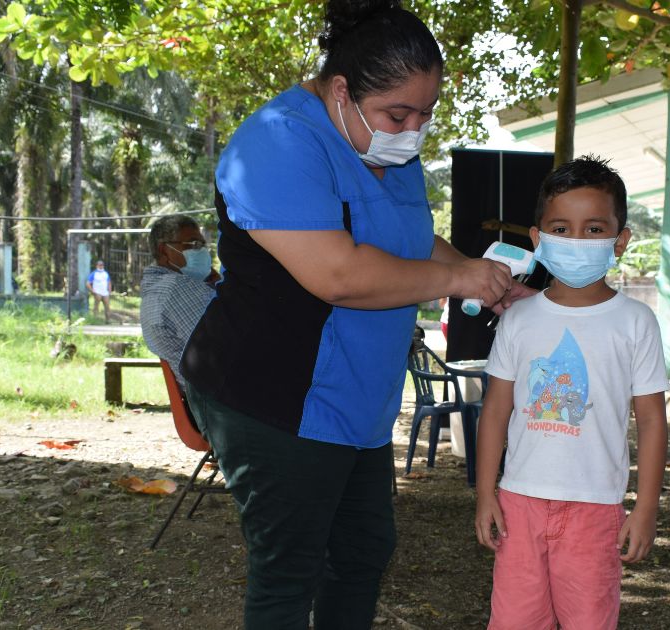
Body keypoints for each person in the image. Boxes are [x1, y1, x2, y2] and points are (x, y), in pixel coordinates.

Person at [179, 1, 530, 627]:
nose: (414, 129)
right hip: (276, 398)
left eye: (425, 114)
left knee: (365, 550)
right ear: (341, 91)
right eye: (400, 113)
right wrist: (456, 277)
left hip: (353, 402)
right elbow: (337, 274)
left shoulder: (386, 146)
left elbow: (412, 238)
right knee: (290, 569)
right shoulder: (277, 142)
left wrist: (486, 280)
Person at [473, 156, 670, 629]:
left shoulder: (636, 322)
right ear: (538, 239)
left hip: (596, 509)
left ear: (619, 241)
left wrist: (645, 510)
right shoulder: (517, 319)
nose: (576, 241)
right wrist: (485, 494)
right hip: (519, 504)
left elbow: (652, 421)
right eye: (561, 227)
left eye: (594, 228)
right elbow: (496, 411)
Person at [139, 214, 216, 390]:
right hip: (222, 402)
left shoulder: (155, 290)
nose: (202, 251)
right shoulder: (177, 288)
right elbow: (227, 343)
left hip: (204, 397)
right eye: (193, 244)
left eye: (203, 245)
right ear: (164, 251)